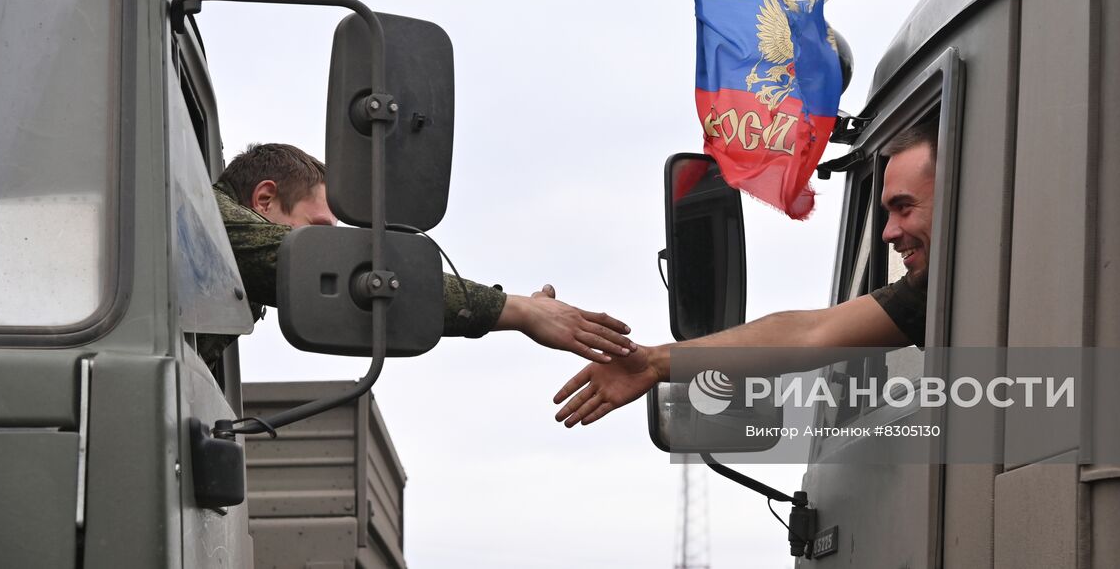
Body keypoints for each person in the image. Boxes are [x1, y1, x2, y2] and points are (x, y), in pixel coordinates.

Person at [553, 120, 936, 426]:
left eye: (904, 207)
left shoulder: (951, 286)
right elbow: (809, 334)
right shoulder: (930, 293)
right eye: (886, 213)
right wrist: (653, 363)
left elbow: (809, 335)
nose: (888, 233)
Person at [214, 143, 635, 362]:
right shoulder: (203, 220)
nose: (328, 251)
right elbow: (332, 271)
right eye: (319, 231)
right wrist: (516, 310)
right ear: (265, 199)